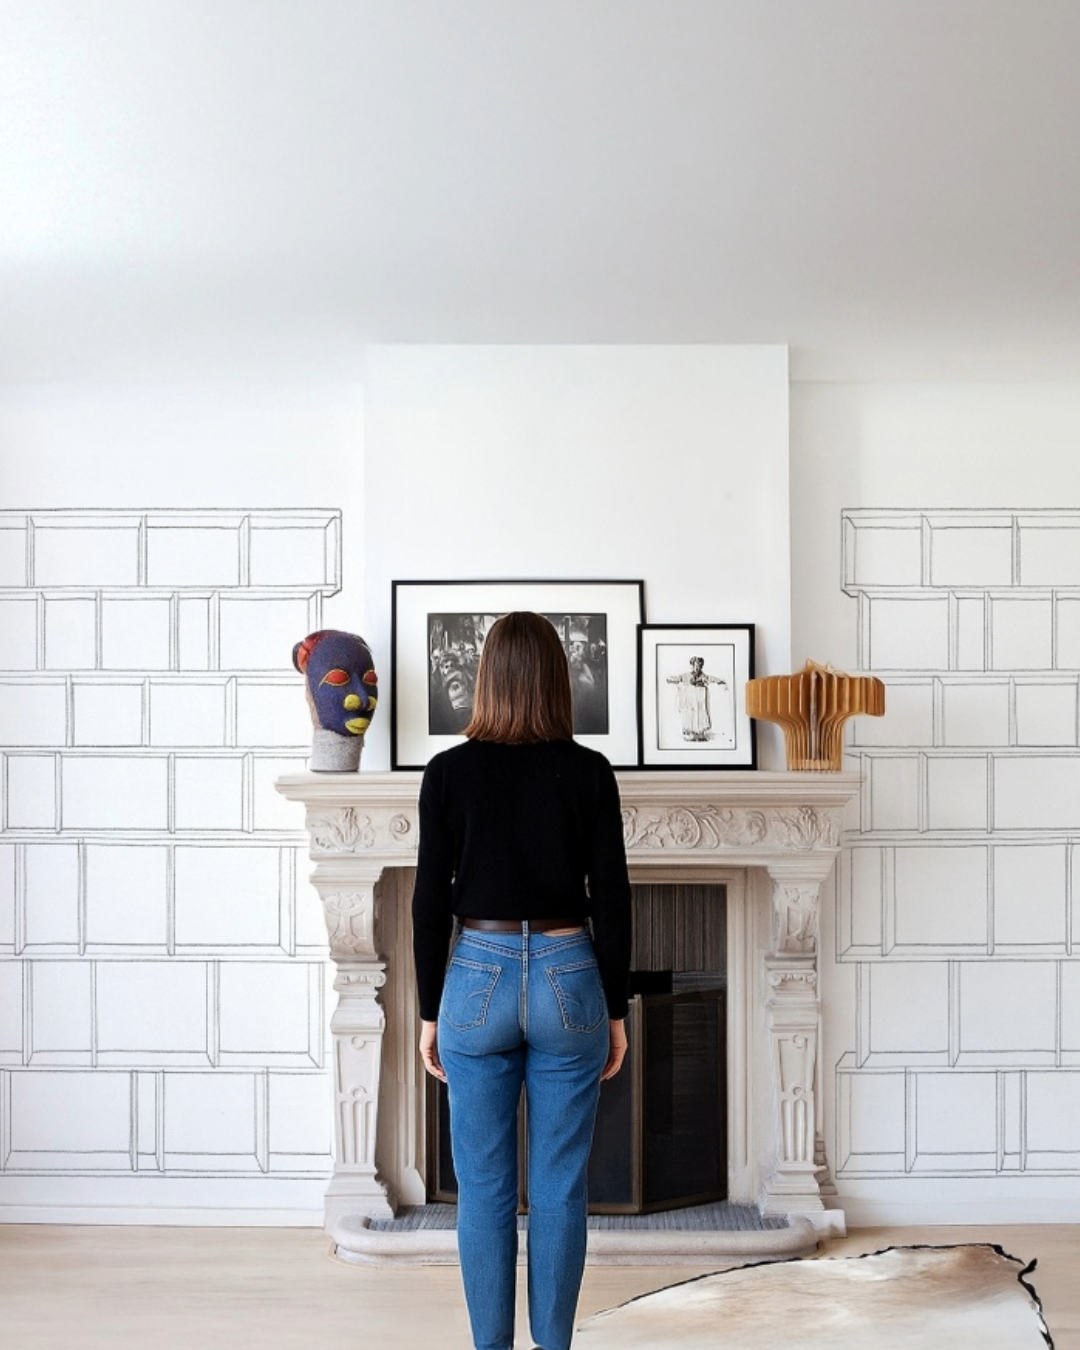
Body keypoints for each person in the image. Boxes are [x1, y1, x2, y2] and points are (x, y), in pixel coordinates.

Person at [412, 611, 632, 1350]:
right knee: (561, 1186)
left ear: (485, 679)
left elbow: (428, 901)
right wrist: (617, 1010)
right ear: (557, 682)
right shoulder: (590, 771)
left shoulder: (447, 773)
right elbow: (614, 895)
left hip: (477, 971)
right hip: (570, 971)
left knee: (483, 1188)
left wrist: (427, 1012)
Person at [666, 655, 727, 742]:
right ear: (692, 666)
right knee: (691, 715)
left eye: (698, 665)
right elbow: (678, 678)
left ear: (701, 666)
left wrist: (720, 681)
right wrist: (670, 679)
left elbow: (711, 678)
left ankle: (700, 733)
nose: (696, 667)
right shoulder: (686, 675)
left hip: (700, 701)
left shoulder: (703, 676)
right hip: (691, 701)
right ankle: (691, 733)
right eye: (695, 665)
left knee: (701, 715)